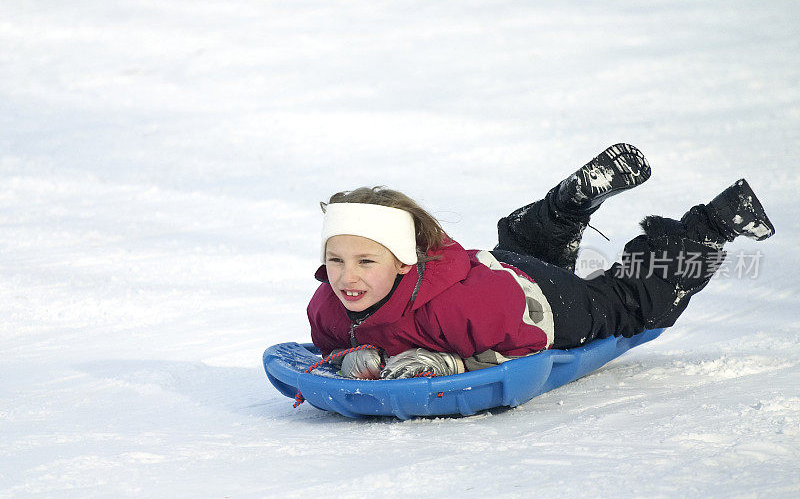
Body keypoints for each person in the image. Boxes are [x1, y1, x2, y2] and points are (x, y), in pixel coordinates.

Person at [307, 144, 775, 380]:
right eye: (336, 260)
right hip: (495, 267)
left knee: (626, 305)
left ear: (407, 261)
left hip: (537, 308)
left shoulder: (452, 313)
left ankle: (712, 224)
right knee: (522, 253)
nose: (347, 278)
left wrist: (447, 364)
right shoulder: (326, 307)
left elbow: (525, 351)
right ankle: (563, 210)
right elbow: (331, 348)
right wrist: (358, 357)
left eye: (366, 260)